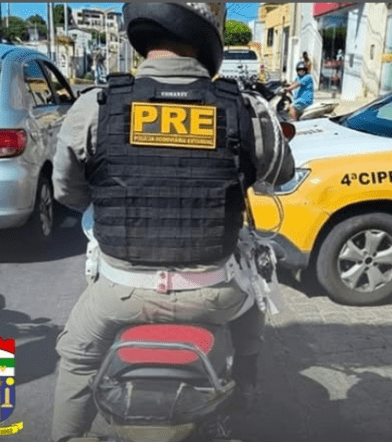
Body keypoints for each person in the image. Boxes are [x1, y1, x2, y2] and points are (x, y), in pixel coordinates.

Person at [49, 3, 295, 442]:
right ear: (205, 44)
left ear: (144, 41)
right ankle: (247, 380)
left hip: (120, 293)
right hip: (214, 293)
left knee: (77, 358)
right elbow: (282, 174)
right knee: (255, 298)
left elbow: (66, 190)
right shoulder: (243, 107)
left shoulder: (96, 105)